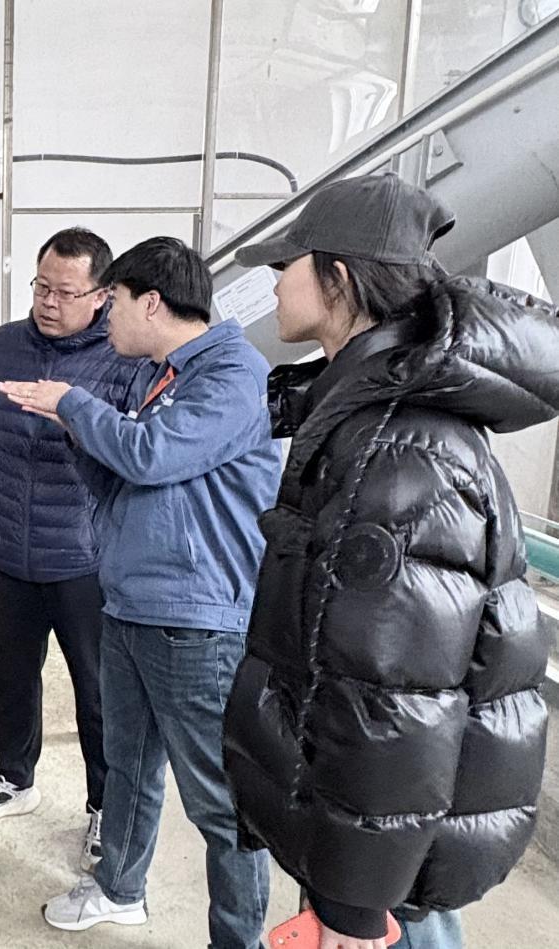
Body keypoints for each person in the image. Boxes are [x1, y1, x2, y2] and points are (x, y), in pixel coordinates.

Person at [222, 172, 559, 949]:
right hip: (385, 831)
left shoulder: (399, 451)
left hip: (385, 853)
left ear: (337, 279)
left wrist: (351, 903)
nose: (274, 284)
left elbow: (393, 698)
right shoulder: (374, 416)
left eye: (287, 265)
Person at [1, 236, 281, 947]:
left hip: (195, 618)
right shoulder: (165, 374)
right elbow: (126, 477)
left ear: (150, 302)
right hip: (132, 604)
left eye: (113, 302)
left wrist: (74, 403)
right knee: (127, 766)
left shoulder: (231, 374)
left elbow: (151, 456)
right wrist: (75, 428)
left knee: (219, 801)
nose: (105, 317)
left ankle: (238, 938)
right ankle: (119, 888)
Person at [0, 227, 141, 870]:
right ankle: (14, 778)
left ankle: (105, 805)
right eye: (41, 286)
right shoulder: (4, 346)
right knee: (11, 672)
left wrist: (73, 418)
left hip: (84, 558)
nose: (48, 301)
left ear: (101, 296)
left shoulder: (123, 357)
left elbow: (135, 451)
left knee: (98, 691)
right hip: (13, 552)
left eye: (65, 292)